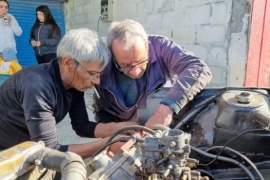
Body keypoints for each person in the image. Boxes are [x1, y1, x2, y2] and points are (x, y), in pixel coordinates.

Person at [0, 28, 119, 159]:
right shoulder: (37, 86)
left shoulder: (73, 82)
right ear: (68, 63)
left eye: (99, 74)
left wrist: (123, 128)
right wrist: (107, 144)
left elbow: (82, 126)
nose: (97, 81)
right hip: (5, 155)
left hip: (25, 146)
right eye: (92, 74)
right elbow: (48, 152)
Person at [92, 19, 212, 137]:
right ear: (113, 55)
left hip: (164, 132)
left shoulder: (159, 47)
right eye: (125, 65)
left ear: (147, 45)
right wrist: (114, 134)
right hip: (128, 138)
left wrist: (166, 108)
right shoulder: (102, 66)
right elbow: (101, 113)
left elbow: (198, 68)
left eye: (140, 61)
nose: (135, 72)